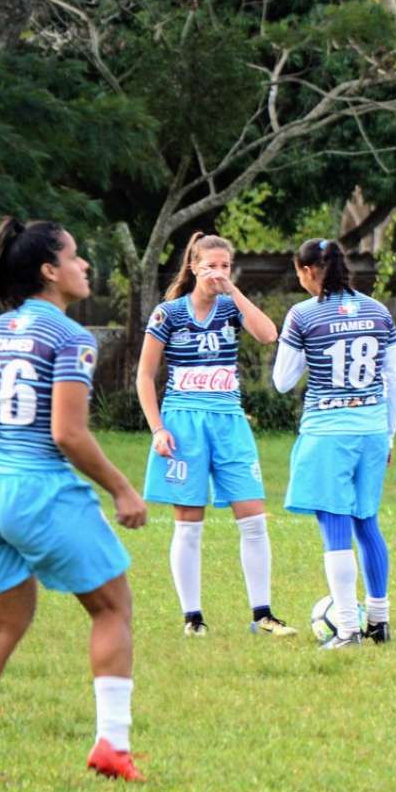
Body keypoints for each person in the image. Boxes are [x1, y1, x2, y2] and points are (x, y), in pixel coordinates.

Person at [0, 218, 147, 781]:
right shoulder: (71, 337)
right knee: (113, 606)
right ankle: (112, 747)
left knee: (4, 622)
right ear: (50, 271)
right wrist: (122, 488)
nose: (86, 266)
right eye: (76, 257)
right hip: (36, 488)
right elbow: (67, 435)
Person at [137, 231, 295, 638]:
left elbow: (268, 333)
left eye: (225, 266)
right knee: (188, 522)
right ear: (193, 267)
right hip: (184, 423)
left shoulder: (230, 308)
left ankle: (262, 614)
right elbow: (145, 375)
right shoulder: (167, 314)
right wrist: (158, 428)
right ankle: (193, 618)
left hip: (229, 422)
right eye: (210, 266)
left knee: (254, 518)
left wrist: (234, 290)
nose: (218, 273)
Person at [273, 237, 396, 648]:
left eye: (300, 273)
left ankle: (347, 628)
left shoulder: (303, 315)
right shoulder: (379, 312)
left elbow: (282, 381)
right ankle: (378, 621)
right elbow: (395, 379)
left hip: (328, 431)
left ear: (310, 271)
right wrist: (389, 433)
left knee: (335, 527)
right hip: (372, 430)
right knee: (367, 523)